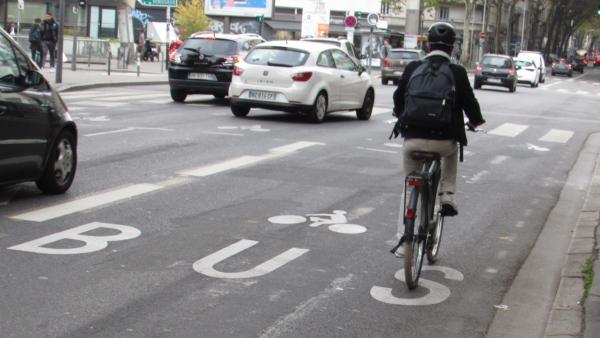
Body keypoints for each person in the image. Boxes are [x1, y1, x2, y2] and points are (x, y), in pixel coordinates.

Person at [391, 22, 485, 248]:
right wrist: (475, 121)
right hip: (444, 141)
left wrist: (399, 113)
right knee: (451, 153)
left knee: (410, 186)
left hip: (412, 140)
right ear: (452, 48)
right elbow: (470, 104)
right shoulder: (457, 72)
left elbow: (398, 98)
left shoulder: (413, 67)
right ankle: (447, 196)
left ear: (428, 45)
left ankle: (404, 242)